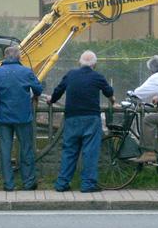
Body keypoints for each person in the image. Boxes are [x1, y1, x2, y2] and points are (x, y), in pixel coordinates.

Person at [46, 50, 115, 193]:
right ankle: (88, 184)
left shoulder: (70, 74)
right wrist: (113, 100)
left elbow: (58, 91)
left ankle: (62, 184)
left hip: (72, 118)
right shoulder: (98, 77)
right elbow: (109, 92)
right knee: (90, 152)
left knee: (69, 152)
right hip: (91, 119)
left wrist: (51, 100)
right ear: (94, 64)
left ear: (79, 62)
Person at [0, 46, 42, 191]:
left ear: (5, 57)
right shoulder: (26, 72)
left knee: (5, 150)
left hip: (3, 117)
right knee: (26, 148)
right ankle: (29, 182)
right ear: (19, 57)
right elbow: (38, 89)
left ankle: (8, 184)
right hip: (23, 117)